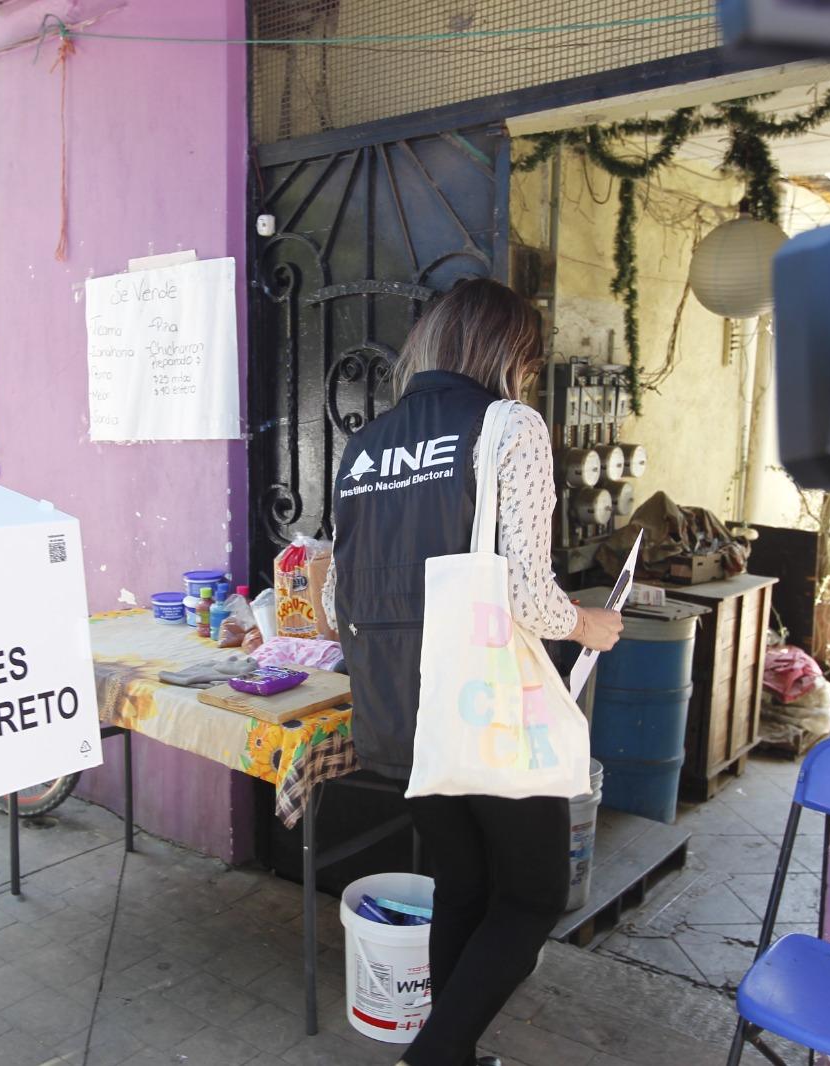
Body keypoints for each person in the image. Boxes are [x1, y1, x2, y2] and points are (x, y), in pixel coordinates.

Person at [325, 277, 623, 1066]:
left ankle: (446, 1053)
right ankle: (432, 1058)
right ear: (509, 353)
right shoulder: (508, 427)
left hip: (394, 713)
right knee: (528, 900)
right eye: (528, 357)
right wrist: (590, 622)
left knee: (462, 884)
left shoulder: (365, 446)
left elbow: (331, 593)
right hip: (483, 708)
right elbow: (526, 592)